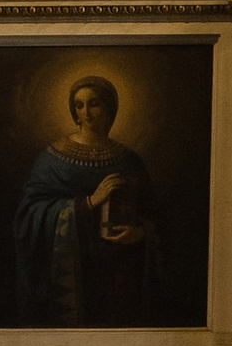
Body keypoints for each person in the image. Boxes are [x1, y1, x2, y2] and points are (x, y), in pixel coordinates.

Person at [11, 73, 168, 323]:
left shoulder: (129, 160)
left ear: (109, 108)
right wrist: (90, 203)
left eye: (94, 103)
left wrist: (140, 234)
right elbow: (29, 216)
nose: (86, 112)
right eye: (79, 105)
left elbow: (156, 219)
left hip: (120, 276)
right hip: (73, 273)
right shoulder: (51, 160)